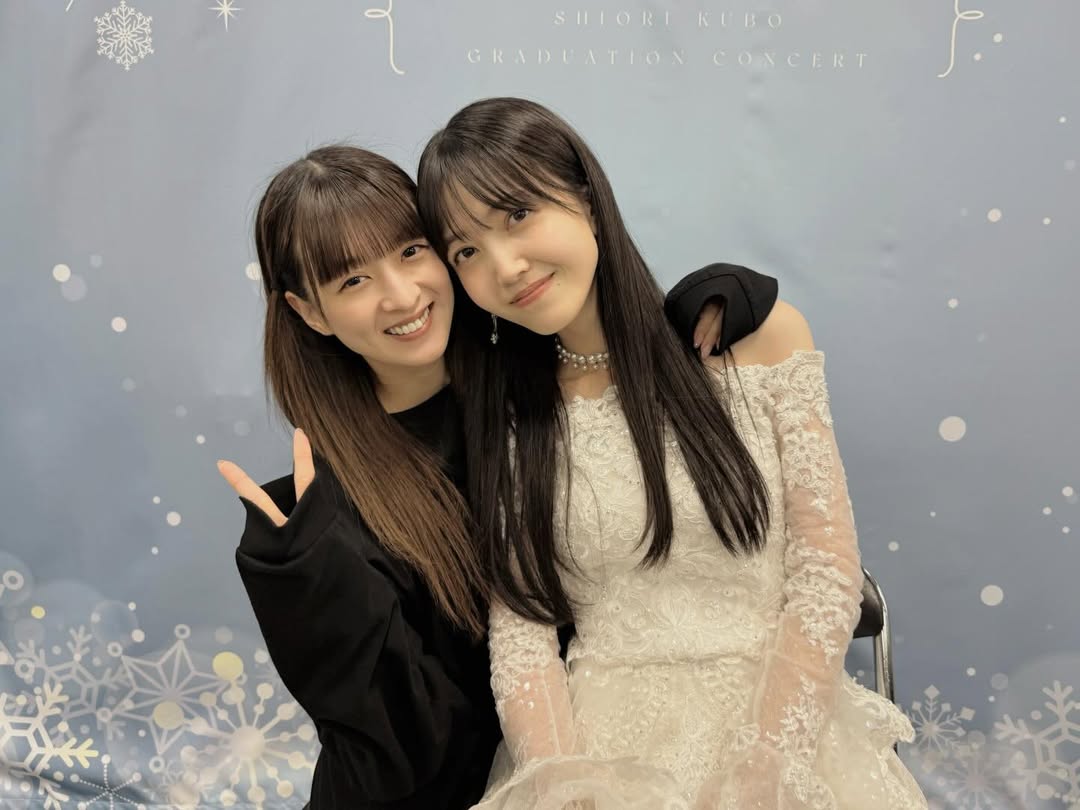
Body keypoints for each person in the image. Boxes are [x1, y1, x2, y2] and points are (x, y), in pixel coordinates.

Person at [216, 143, 779, 809]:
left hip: (628, 754)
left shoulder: (538, 373)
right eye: (353, 282)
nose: (402, 295)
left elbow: (612, 315)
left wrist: (714, 296)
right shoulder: (328, 516)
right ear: (310, 312)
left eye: (411, 251)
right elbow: (399, 761)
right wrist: (311, 587)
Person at [417, 98, 927, 809]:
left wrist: (769, 765)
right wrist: (566, 784)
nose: (505, 265)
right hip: (600, 753)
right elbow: (522, 635)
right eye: (465, 251)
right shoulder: (506, 417)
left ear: (587, 199)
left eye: (518, 214)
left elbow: (825, 572)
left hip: (785, 735)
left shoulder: (759, 338)